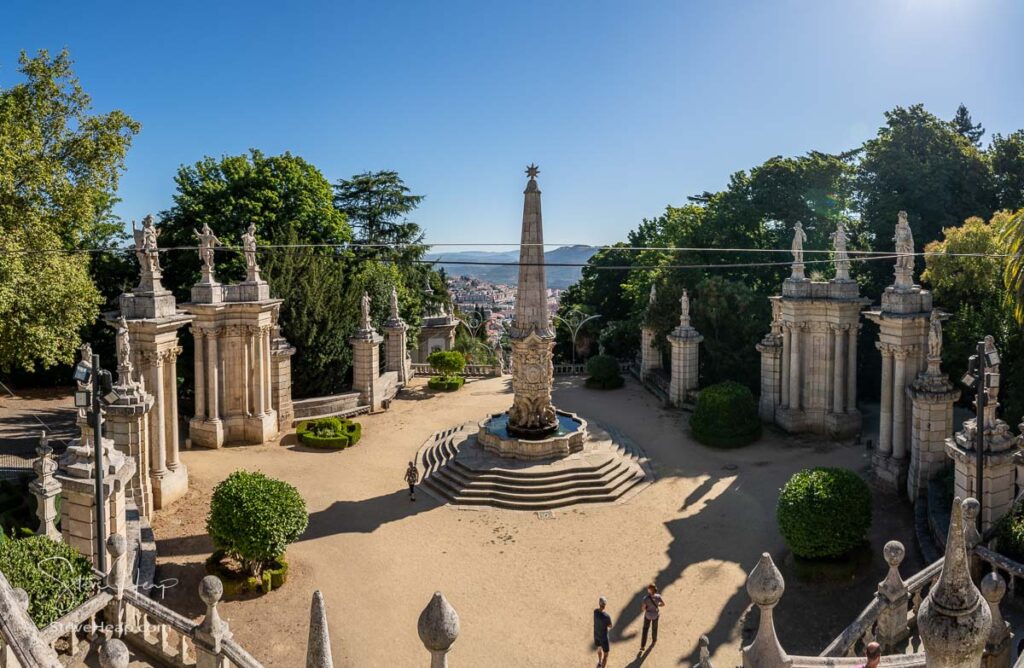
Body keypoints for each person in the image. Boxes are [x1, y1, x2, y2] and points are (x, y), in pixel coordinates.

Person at [639, 583, 665, 653]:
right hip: (655, 615)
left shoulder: (645, 598)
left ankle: (642, 646)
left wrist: (647, 608)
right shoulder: (658, 597)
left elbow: (643, 608)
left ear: (650, 590)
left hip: (648, 615)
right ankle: (654, 639)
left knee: (645, 629)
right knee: (654, 627)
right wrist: (657, 605)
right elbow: (663, 604)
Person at [593, 596, 612, 668]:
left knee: (599, 649)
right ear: (605, 605)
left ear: (599, 603)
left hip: (596, 636)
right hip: (604, 638)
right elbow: (610, 626)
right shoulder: (607, 616)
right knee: (606, 655)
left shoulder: (595, 612)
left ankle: (599, 662)